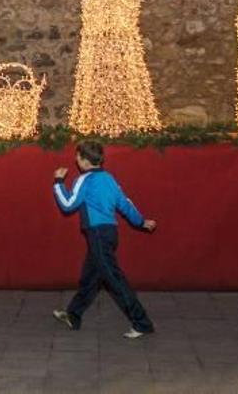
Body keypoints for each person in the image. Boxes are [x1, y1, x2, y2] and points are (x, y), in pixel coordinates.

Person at [51, 141, 157, 339]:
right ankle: (73, 315)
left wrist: (58, 182)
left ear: (83, 160)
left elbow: (67, 205)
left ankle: (142, 323)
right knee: (90, 279)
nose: (75, 160)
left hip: (97, 235)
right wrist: (141, 222)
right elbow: (125, 203)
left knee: (115, 281)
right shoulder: (109, 178)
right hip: (109, 234)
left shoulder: (84, 180)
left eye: (77, 157)